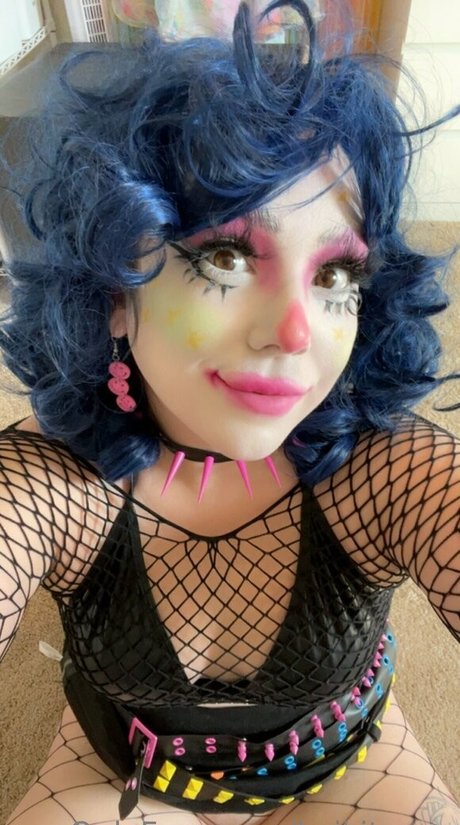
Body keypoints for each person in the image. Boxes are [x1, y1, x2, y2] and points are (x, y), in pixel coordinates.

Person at [0, 1, 459, 823]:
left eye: (335, 277)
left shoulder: (388, 472)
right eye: (226, 255)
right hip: (122, 765)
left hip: (344, 758)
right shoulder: (52, 484)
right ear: (114, 291)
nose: (296, 332)